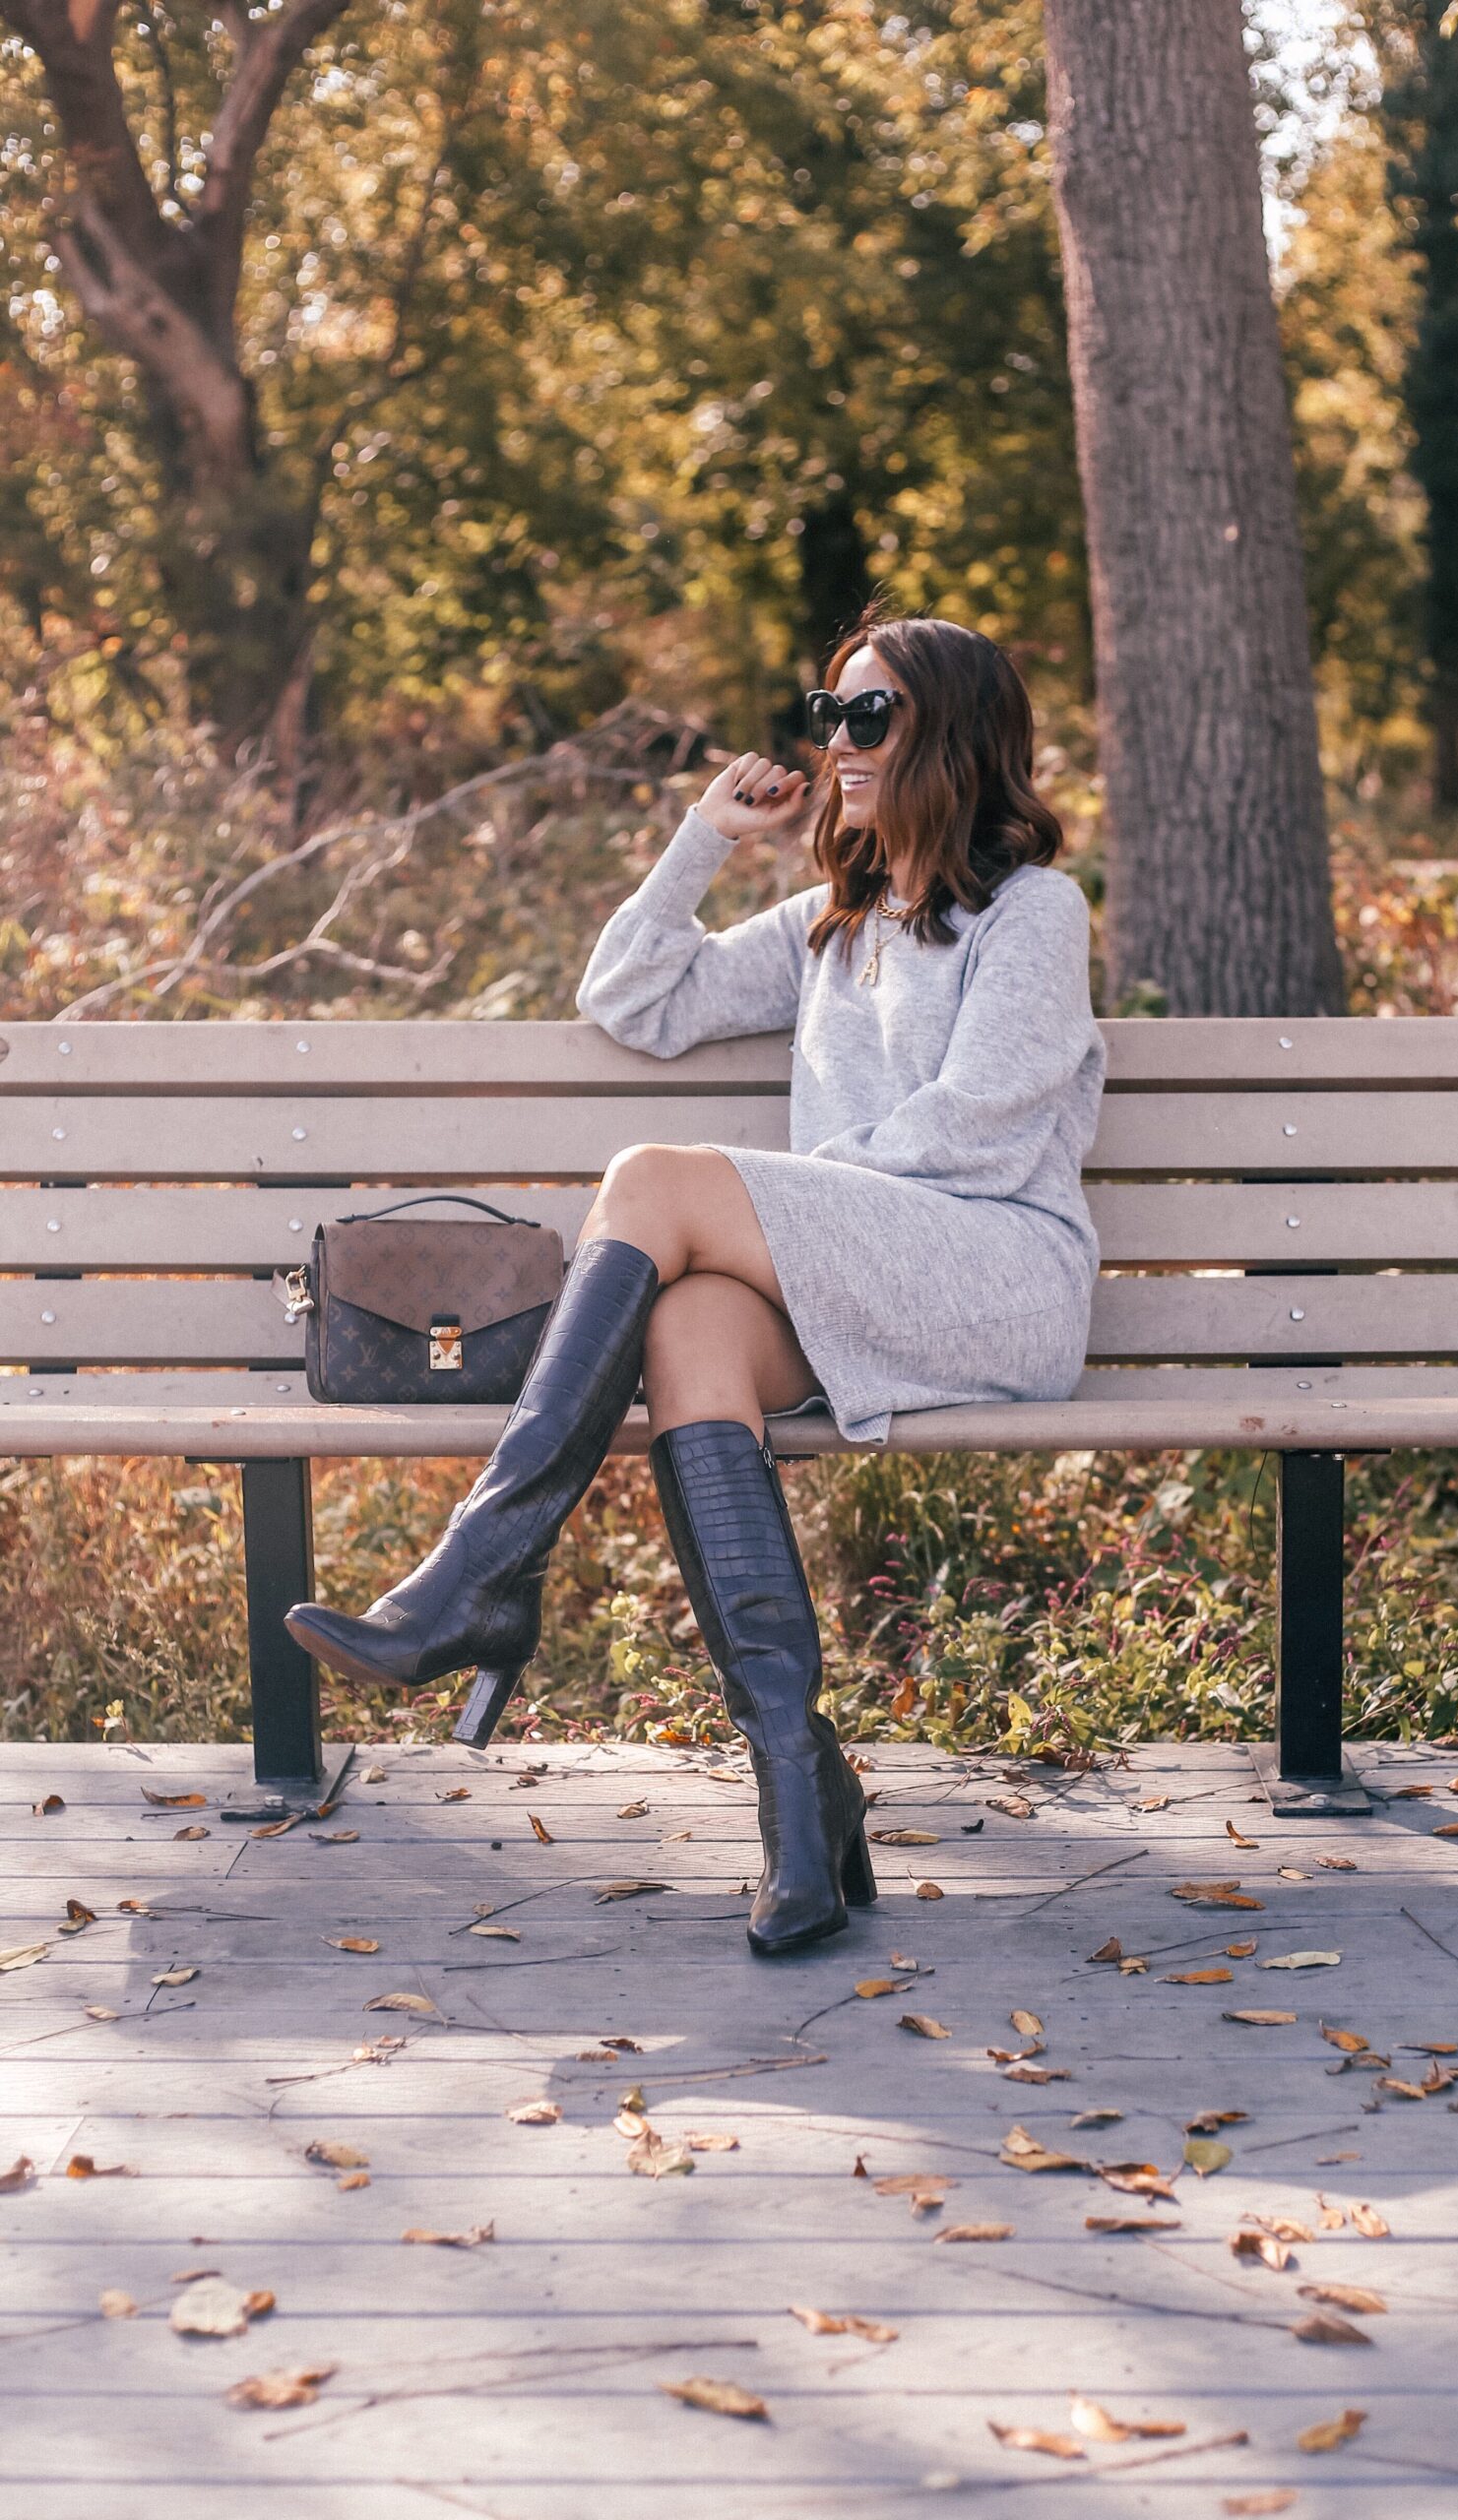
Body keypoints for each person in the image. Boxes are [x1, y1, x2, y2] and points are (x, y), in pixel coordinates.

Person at [286, 607, 1107, 1957]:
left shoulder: (1029, 910)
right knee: (693, 1329)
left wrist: (781, 1201)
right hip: (869, 1269)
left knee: (658, 1181)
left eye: (871, 715)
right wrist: (702, 842)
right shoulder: (829, 924)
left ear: (949, 733)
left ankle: (481, 1578)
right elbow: (636, 999)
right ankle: (799, 1789)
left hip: (996, 1274)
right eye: (829, 712)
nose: (838, 743)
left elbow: (986, 1123)